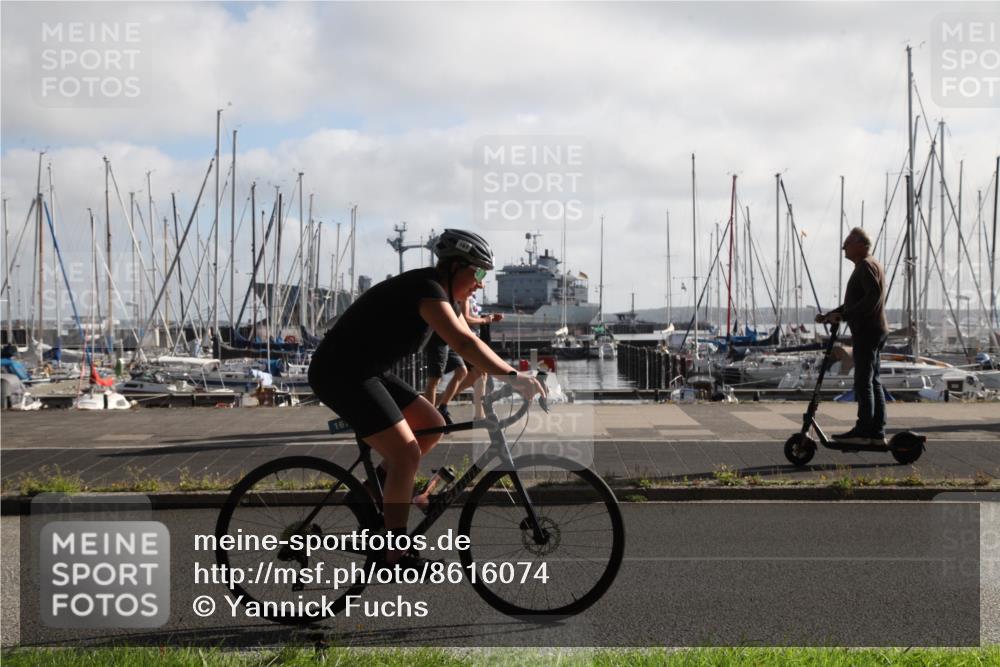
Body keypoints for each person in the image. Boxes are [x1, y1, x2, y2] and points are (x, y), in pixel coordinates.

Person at [308, 229, 545, 569]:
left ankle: (369, 495)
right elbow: (464, 344)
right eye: (478, 272)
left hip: (367, 369)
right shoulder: (427, 290)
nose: (480, 283)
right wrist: (513, 377)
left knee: (433, 424)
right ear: (455, 266)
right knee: (406, 452)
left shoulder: (442, 296)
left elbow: (471, 341)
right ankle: (395, 552)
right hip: (340, 372)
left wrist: (507, 374)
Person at [814, 227, 889, 446]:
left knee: (863, 381)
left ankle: (864, 431)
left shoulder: (866, 265)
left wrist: (844, 316)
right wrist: (832, 315)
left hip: (868, 331)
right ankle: (876, 433)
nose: (843, 247)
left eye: (847, 243)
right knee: (873, 381)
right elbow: (855, 302)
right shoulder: (868, 265)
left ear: (860, 245)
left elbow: (872, 298)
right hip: (874, 329)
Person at [438, 293, 504, 421]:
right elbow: (465, 318)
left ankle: (440, 401)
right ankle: (479, 415)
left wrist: (488, 318)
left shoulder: (469, 295)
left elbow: (469, 317)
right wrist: (485, 320)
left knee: (472, 377)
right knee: (481, 374)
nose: (480, 285)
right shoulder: (465, 296)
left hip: (471, 338)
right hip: (467, 340)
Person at [422, 333, 467, 424]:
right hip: (437, 339)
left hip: (449, 339)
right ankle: (429, 420)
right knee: (434, 380)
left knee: (461, 371)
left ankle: (442, 408)